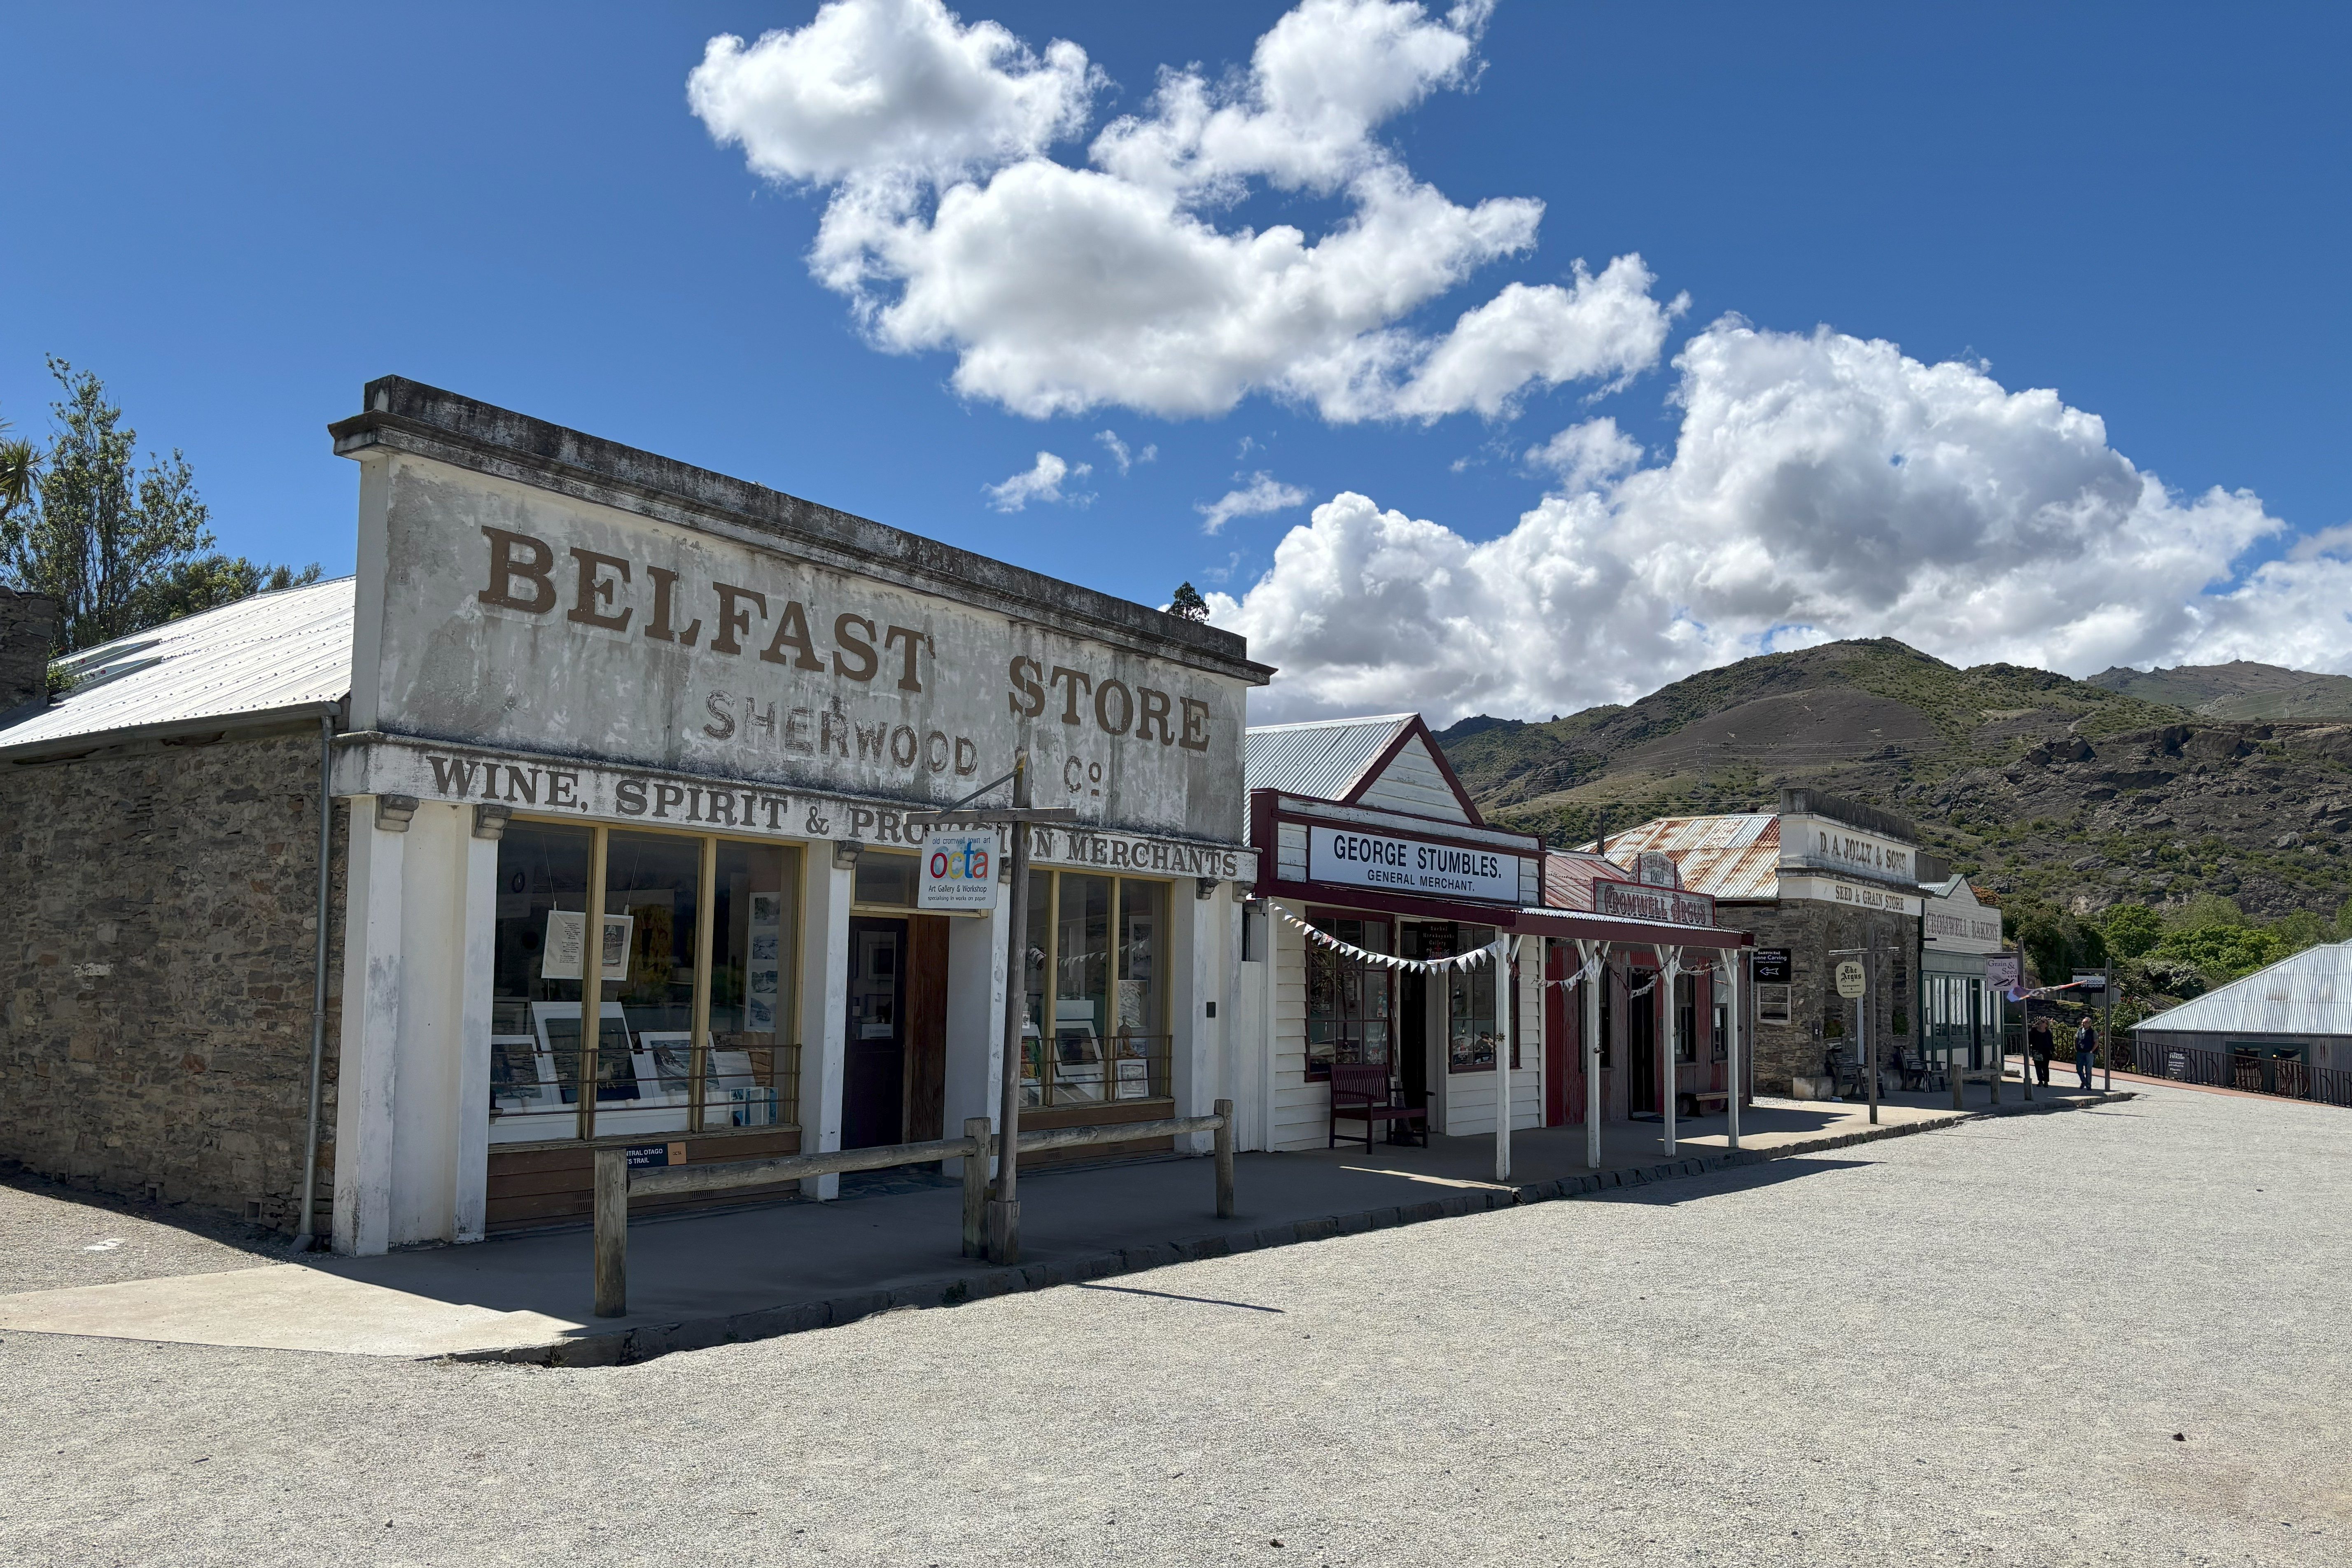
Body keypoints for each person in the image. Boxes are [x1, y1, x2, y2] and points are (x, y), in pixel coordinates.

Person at [2028, 1017, 2053, 1086]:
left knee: (2045, 1067)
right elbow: (2030, 1039)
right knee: (2038, 1066)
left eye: (2043, 1022)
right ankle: (2040, 1080)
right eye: (2041, 1021)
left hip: (2046, 1051)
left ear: (2046, 1025)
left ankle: (2046, 1081)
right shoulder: (2034, 1031)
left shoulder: (2048, 1032)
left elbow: (2051, 1042)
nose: (2041, 1023)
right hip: (2037, 1051)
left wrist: (2053, 1051)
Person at [2075, 1015, 2098, 1089]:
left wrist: (2092, 1051)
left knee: (2088, 1070)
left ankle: (2089, 1085)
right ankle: (2084, 1081)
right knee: (2079, 1069)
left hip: (2089, 1053)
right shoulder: (2079, 1030)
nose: (2083, 1024)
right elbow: (2077, 1039)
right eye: (2083, 1022)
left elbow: (2096, 1042)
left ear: (2090, 1024)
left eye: (2085, 1023)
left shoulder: (2093, 1032)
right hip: (2080, 1052)